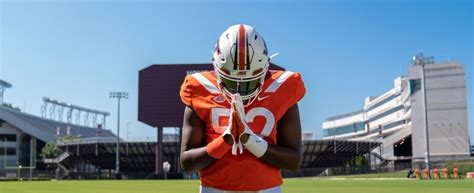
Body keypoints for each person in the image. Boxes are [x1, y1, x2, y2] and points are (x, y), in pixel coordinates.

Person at [179, 24, 306, 193]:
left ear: (264, 69)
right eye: (232, 81)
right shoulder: (199, 89)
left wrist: (251, 141)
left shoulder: (283, 87)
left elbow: (293, 161)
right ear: (217, 69)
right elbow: (187, 163)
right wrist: (225, 141)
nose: (240, 89)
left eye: (250, 81)